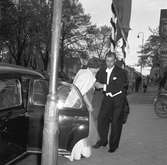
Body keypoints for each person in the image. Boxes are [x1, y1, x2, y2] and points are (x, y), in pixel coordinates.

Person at [93, 51, 128, 153]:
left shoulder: (121, 72)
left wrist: (103, 86)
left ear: (115, 61)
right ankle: (103, 141)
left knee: (116, 123)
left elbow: (120, 86)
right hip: (107, 99)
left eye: (111, 61)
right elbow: (96, 81)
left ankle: (113, 145)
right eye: (107, 61)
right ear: (105, 61)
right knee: (101, 120)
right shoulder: (102, 71)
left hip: (118, 100)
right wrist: (95, 83)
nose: (109, 63)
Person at [66, 57, 100, 161]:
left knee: (81, 128)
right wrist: (89, 105)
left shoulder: (83, 72)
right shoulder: (88, 76)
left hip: (76, 103)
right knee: (80, 129)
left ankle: (80, 151)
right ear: (95, 68)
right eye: (98, 68)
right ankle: (75, 153)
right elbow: (82, 92)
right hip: (79, 104)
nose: (98, 70)